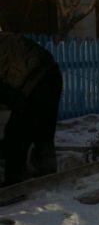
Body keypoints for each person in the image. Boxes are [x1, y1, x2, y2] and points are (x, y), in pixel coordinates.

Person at [0, 32, 62, 186]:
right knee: (43, 131)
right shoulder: (7, 41)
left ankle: (15, 185)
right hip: (52, 75)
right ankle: (46, 172)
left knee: (17, 133)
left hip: (35, 82)